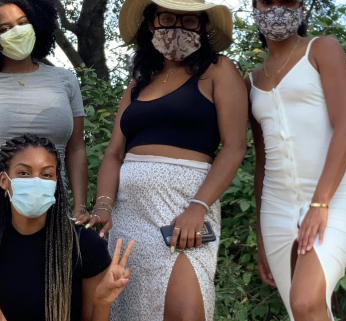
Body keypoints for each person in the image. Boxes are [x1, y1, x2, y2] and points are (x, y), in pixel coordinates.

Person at [78, 0, 247, 319]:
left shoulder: (218, 70)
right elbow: (114, 153)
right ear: (151, 23)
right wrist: (103, 206)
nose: (178, 27)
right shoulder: (137, 86)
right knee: (127, 307)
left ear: (202, 27)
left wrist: (199, 207)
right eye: (168, 17)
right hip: (129, 213)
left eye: (189, 21)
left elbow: (235, 147)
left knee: (186, 312)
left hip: (187, 208)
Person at [247, 0, 346, 319]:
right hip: (275, 207)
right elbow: (262, 161)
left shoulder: (322, 49)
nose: (276, 8)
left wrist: (319, 203)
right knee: (302, 313)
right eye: (267, 1)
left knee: (305, 302)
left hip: (333, 196)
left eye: (286, 0)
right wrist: (260, 232)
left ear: (300, 6)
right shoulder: (251, 82)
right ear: (254, 7)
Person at [0, 134, 135, 321]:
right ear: (3, 180)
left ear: (56, 183)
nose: (36, 182)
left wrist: (102, 302)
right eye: (24, 173)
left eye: (46, 175)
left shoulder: (85, 245)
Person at [0, 0, 88, 231]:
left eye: (22, 23)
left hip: (52, 206)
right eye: (4, 29)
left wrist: (80, 207)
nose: (17, 32)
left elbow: (76, 148)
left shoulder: (65, 80)